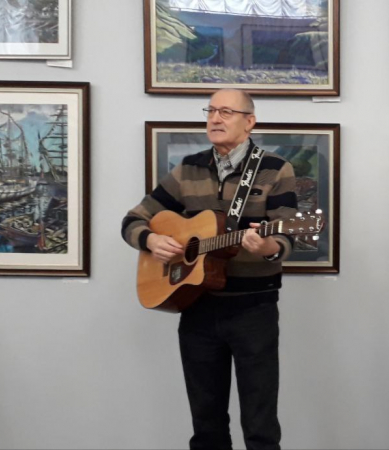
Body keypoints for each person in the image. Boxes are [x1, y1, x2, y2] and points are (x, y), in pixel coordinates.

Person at [121, 89, 297, 450]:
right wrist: (151, 240)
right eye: (211, 110)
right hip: (197, 306)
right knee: (206, 424)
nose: (215, 118)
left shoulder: (276, 169)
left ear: (249, 122)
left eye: (226, 112)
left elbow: (287, 234)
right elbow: (134, 219)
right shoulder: (188, 168)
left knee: (260, 425)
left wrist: (268, 247)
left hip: (254, 309)